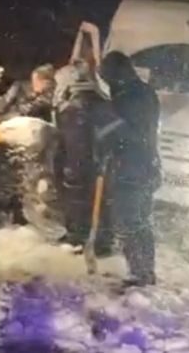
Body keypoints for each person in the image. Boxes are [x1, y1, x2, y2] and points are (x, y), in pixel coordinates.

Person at [96, 51, 161, 287]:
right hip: (144, 164)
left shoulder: (131, 97)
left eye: (107, 76)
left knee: (130, 220)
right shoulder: (142, 92)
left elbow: (126, 133)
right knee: (140, 220)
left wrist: (105, 124)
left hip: (132, 167)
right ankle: (144, 271)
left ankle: (140, 273)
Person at [52, 58, 111, 246]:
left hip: (79, 163)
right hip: (97, 162)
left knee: (79, 197)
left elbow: (74, 141)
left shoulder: (75, 107)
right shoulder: (101, 101)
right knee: (96, 199)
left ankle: (80, 236)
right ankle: (98, 237)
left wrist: (69, 168)